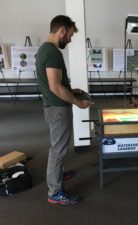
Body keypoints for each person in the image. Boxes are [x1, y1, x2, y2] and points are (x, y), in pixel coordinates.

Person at [35, 15, 91, 205]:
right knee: (58, 149)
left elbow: (56, 83)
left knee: (57, 146)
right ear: (61, 30)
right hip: (58, 108)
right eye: (69, 34)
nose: (70, 38)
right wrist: (77, 102)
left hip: (52, 106)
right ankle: (55, 192)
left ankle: (59, 173)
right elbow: (54, 87)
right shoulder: (52, 53)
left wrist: (71, 90)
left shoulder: (43, 49)